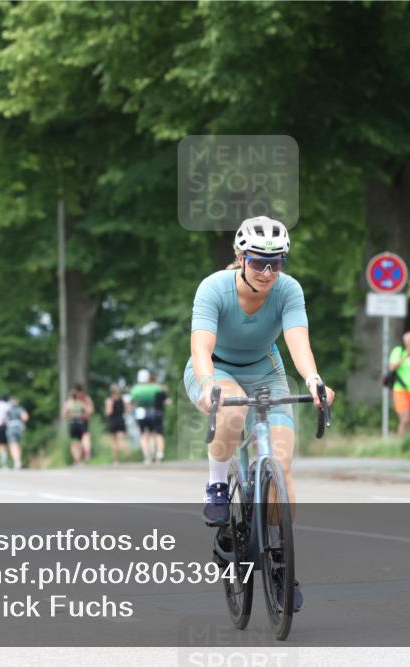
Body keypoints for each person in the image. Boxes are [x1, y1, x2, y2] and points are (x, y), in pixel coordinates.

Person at [184, 215, 336, 613]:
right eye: (257, 262)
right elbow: (201, 346)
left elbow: (297, 339)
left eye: (277, 263)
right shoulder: (214, 288)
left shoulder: (288, 290)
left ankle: (279, 557)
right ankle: (218, 486)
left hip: (266, 370)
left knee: (281, 468)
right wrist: (208, 384)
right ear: (240, 257)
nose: (268, 272)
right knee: (231, 413)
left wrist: (314, 379)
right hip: (216, 368)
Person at [132, 369, 160, 464]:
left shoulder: (136, 389)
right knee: (152, 433)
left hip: (140, 412)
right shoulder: (155, 387)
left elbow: (132, 400)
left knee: (143, 434)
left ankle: (146, 456)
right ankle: (152, 453)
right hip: (152, 411)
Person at [61, 386, 92, 465]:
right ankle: (83, 457)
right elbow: (88, 411)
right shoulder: (80, 403)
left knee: (74, 443)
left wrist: (70, 416)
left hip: (72, 423)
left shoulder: (68, 403)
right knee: (81, 441)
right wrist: (81, 415)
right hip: (81, 423)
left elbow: (63, 415)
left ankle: (77, 460)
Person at [104, 385, 129, 464]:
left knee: (114, 441)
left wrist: (106, 412)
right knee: (122, 439)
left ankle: (116, 459)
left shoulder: (109, 400)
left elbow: (109, 412)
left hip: (113, 421)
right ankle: (127, 452)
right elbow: (126, 410)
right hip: (121, 420)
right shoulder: (122, 400)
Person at [152, 372, 171, 462]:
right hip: (159, 412)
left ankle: (152, 453)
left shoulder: (146, 390)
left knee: (151, 434)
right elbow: (168, 402)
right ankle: (160, 453)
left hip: (147, 414)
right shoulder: (162, 390)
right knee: (159, 433)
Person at [5, 398, 29, 469]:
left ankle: (17, 461)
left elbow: (5, 419)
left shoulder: (8, 410)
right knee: (18, 445)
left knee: (13, 445)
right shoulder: (20, 409)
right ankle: (19, 460)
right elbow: (25, 417)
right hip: (19, 428)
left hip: (11, 428)